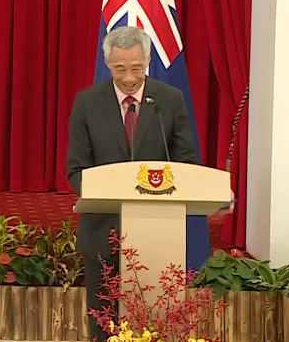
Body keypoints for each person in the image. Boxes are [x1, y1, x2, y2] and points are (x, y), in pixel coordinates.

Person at [66, 26, 196, 342]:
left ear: (148, 61)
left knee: (157, 318)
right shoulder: (87, 103)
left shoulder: (169, 100)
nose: (128, 77)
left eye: (136, 68)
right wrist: (109, 191)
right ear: (107, 63)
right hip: (102, 231)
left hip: (157, 230)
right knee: (104, 321)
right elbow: (76, 170)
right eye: (120, 68)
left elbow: (186, 164)